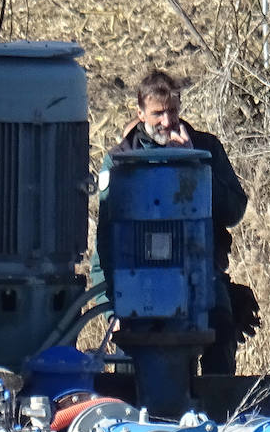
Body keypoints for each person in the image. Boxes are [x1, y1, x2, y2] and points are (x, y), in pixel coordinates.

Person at [95, 70, 252, 373]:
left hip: (202, 275)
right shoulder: (120, 159)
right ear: (140, 113)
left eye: (172, 111)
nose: (167, 122)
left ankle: (218, 413)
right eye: (157, 113)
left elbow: (234, 211)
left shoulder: (206, 148)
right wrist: (109, 305)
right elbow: (105, 239)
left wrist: (192, 163)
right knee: (132, 362)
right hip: (138, 282)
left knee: (220, 335)